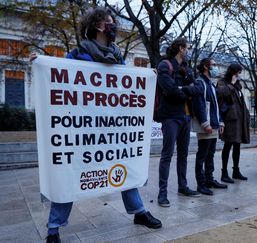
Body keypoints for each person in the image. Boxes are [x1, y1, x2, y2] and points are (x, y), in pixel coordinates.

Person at [36, 7, 162, 243]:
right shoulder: (77, 56)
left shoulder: (117, 56)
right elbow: (59, 79)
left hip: (111, 129)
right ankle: (54, 229)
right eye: (109, 22)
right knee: (69, 173)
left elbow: (126, 89)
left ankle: (139, 212)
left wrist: (148, 77)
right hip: (83, 130)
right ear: (96, 26)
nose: (113, 26)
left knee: (124, 166)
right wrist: (41, 63)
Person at [156, 37, 202, 207]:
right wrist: (185, 91)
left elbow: (197, 89)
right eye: (187, 48)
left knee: (183, 154)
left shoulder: (186, 69)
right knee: (167, 155)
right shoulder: (165, 65)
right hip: (170, 116)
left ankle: (183, 187)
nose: (189, 51)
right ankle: (162, 193)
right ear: (181, 48)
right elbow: (170, 90)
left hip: (185, 116)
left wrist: (183, 90)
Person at [191, 58, 228, 195]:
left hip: (213, 124)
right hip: (205, 125)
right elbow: (198, 105)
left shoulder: (211, 84)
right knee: (202, 154)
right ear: (206, 67)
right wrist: (204, 123)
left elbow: (215, 106)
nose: (216, 67)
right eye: (214, 65)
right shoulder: (200, 83)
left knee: (210, 154)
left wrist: (220, 122)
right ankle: (201, 184)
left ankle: (209, 179)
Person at [217, 63, 250, 183]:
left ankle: (236, 170)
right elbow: (220, 93)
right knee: (228, 145)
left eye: (239, 73)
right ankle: (224, 173)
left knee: (237, 145)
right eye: (237, 72)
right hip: (229, 120)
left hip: (239, 120)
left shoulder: (238, 85)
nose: (238, 75)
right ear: (232, 72)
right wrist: (231, 83)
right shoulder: (223, 82)